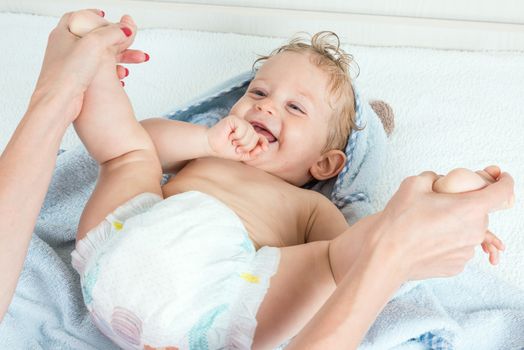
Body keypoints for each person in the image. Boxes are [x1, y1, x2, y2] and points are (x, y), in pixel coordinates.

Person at [0, 9, 514, 350]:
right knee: (126, 152)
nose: (266, 106)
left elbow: (342, 271)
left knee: (335, 263)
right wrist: (206, 143)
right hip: (115, 252)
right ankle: (93, 68)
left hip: (220, 303)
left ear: (326, 165)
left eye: (294, 107)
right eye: (259, 92)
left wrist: (386, 235)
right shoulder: (208, 151)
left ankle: (445, 209)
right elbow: (139, 143)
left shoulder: (309, 207)